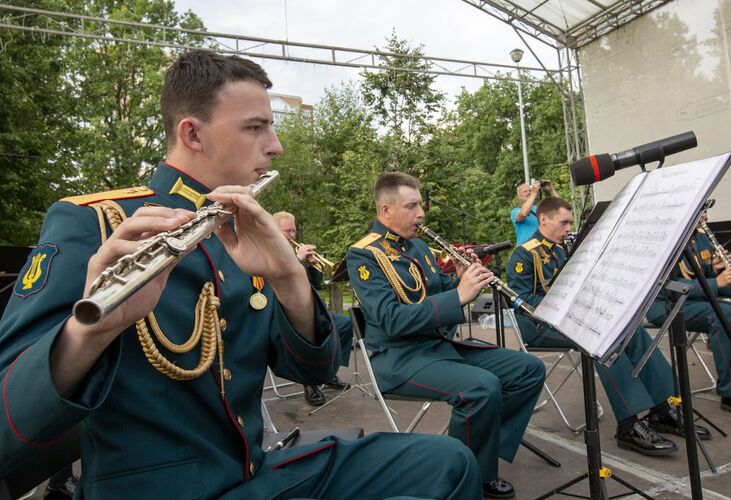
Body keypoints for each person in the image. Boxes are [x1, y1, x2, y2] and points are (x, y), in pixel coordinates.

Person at [0, 50, 483, 499]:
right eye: (256, 128)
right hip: (160, 490)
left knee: (448, 462)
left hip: (252, 474)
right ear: (193, 134)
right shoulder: (96, 224)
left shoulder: (244, 227)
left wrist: (291, 281)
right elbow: (8, 427)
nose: (274, 147)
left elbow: (312, 371)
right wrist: (89, 333)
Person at [348, 172, 546, 499]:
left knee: (528, 369)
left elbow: (438, 293)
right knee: (481, 388)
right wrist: (458, 296)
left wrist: (460, 280)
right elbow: (390, 319)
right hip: (399, 359)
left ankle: (480, 452)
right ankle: (461, 476)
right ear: (385, 211)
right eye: (411, 206)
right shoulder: (364, 255)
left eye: (420, 205)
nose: (421, 213)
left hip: (437, 348)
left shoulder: (420, 247)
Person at [507, 197, 711, 456]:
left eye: (570, 222)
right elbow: (522, 302)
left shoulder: (561, 250)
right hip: (540, 327)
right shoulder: (524, 253)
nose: (569, 228)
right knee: (601, 337)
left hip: (574, 319)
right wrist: (564, 301)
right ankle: (628, 423)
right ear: (543, 219)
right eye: (564, 223)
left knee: (629, 329)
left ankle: (663, 407)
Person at [647, 211, 731, 420]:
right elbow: (666, 286)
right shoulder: (665, 241)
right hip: (666, 305)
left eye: (705, 211)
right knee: (726, 314)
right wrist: (716, 283)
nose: (705, 216)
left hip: (697, 301)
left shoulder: (700, 237)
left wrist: (716, 269)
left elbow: (700, 273)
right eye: (701, 211)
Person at [272, 211, 352, 406]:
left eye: (293, 231)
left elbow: (314, 285)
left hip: (310, 310)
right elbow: (279, 279)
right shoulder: (271, 252)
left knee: (345, 324)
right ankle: (310, 383)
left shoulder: (294, 251)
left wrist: (314, 266)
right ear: (275, 230)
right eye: (287, 231)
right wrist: (298, 260)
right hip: (284, 314)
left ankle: (329, 371)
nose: (292, 235)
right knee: (310, 335)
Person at [511, 179, 559, 246]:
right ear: (519, 197)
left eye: (530, 190)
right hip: (526, 249)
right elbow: (524, 213)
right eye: (525, 191)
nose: (528, 192)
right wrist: (533, 192)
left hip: (542, 248)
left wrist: (551, 190)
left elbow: (560, 207)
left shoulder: (539, 208)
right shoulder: (515, 211)